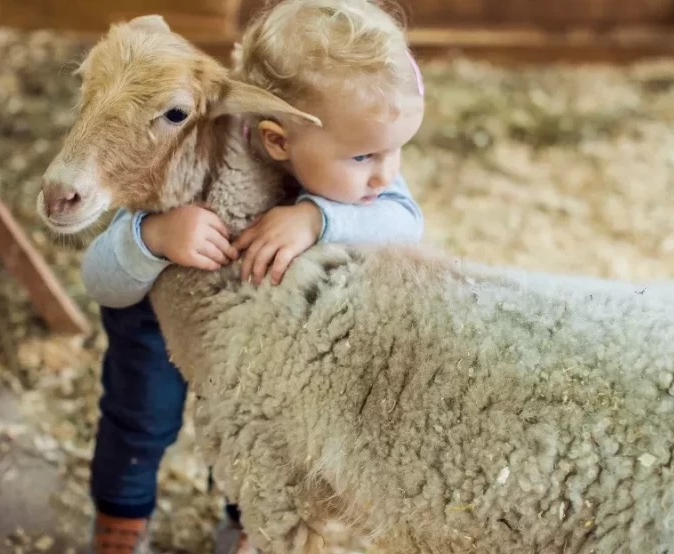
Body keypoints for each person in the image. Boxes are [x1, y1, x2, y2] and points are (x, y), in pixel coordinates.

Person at [80, 1, 426, 552]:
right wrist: (153, 236)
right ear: (277, 140)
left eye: (397, 150)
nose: (387, 175)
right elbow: (99, 279)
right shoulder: (190, 146)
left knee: (257, 423)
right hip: (158, 328)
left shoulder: (362, 181)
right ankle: (121, 517)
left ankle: (245, 518)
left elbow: (407, 226)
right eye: (366, 156)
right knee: (140, 416)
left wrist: (317, 216)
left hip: (257, 335)